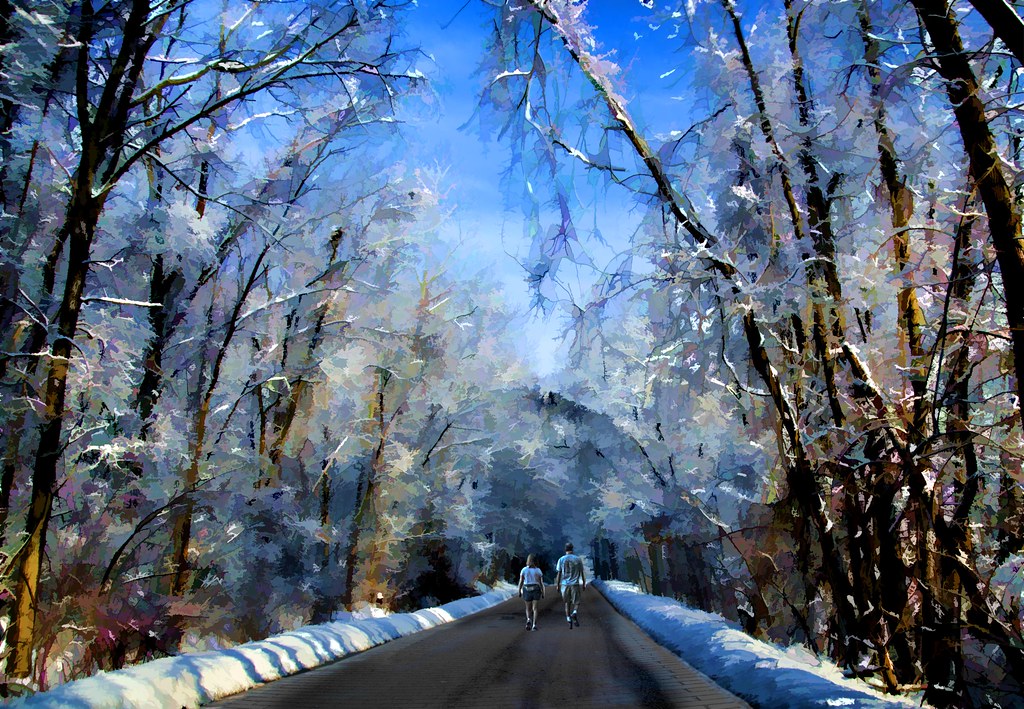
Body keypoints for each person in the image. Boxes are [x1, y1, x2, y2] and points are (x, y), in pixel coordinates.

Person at [555, 542, 586, 629]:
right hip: (575, 584)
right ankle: (574, 612)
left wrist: (557, 585)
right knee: (576, 602)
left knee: (567, 603)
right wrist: (584, 583)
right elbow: (581, 572)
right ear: (572, 549)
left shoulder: (561, 559)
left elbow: (559, 573)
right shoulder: (578, 559)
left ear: (565, 549)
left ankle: (568, 619)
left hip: (564, 584)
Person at [517, 554, 545, 630]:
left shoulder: (524, 570)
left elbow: (521, 581)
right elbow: (541, 582)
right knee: (535, 608)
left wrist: (519, 590)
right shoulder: (538, 570)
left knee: (528, 608)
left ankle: (528, 619)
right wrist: (543, 592)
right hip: (536, 588)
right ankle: (534, 625)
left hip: (526, 588)